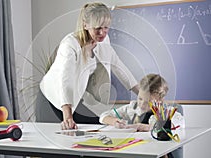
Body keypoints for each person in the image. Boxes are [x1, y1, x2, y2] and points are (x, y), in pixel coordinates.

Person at [40, 2, 139, 130]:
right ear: (85, 25)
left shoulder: (103, 41)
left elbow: (117, 64)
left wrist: (141, 92)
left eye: (106, 27)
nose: (102, 33)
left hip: (75, 99)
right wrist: (68, 115)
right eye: (97, 28)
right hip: (52, 101)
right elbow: (65, 80)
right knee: (55, 143)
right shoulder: (70, 45)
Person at [99, 74, 185, 132]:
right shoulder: (132, 108)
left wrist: (145, 127)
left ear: (160, 101)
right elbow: (103, 116)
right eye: (140, 98)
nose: (142, 104)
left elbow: (179, 125)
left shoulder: (168, 112)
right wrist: (114, 121)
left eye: (148, 102)